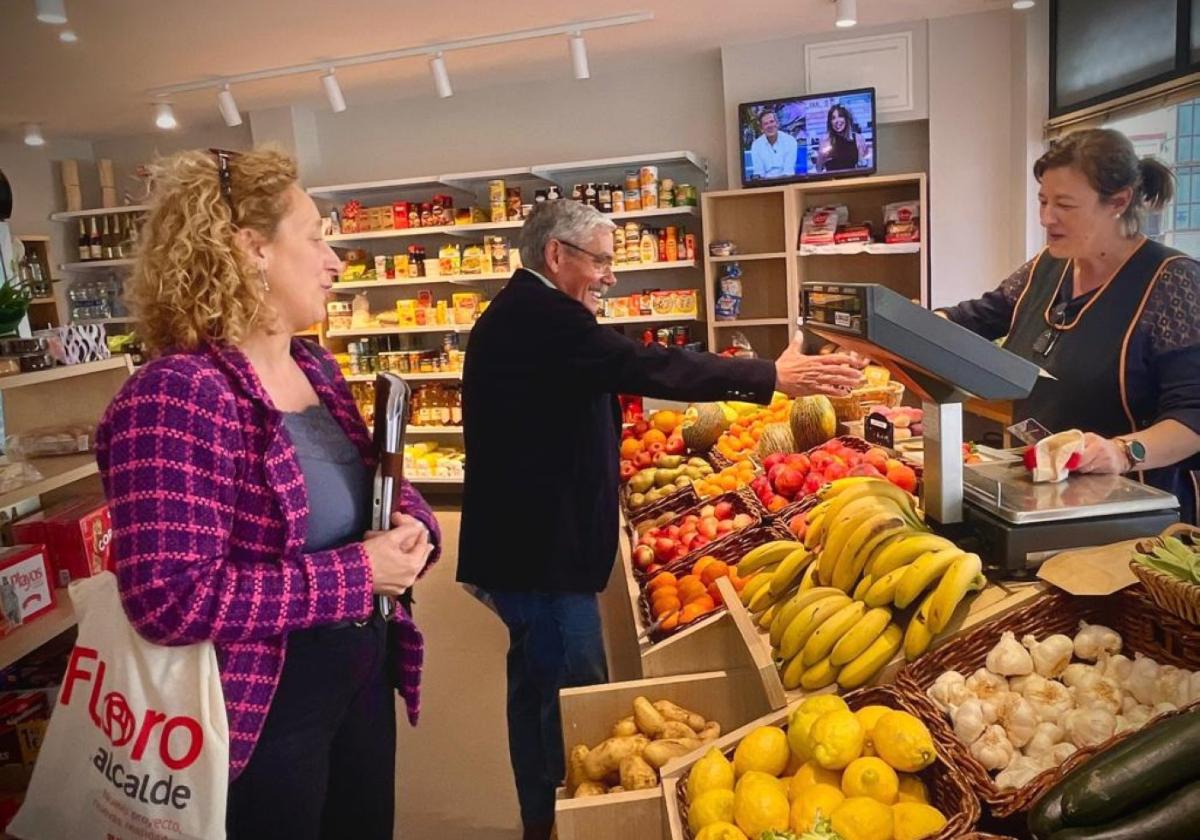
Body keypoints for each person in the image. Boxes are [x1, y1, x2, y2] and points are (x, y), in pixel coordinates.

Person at [457, 199, 865, 840]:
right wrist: (769, 375)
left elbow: (621, 369)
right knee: (567, 698)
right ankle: (561, 820)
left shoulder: (533, 313)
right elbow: (649, 365)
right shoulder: (542, 317)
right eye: (601, 262)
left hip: (531, 544)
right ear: (556, 256)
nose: (610, 276)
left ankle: (543, 813)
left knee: (538, 685)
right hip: (540, 553)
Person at [95, 146, 442, 839]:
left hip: (359, 681)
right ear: (251, 249)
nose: (335, 260)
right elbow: (169, 598)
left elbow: (368, 488)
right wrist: (360, 573)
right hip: (259, 714)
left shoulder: (314, 367)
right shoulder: (175, 396)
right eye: (315, 236)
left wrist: (413, 526)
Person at [940, 128, 1200, 523]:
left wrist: (1122, 451)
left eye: (1064, 205)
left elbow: (1192, 416)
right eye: (1043, 201)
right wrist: (897, 328)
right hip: (1045, 501)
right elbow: (972, 319)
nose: (1047, 218)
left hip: (1135, 515)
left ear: (1119, 201)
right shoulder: (1047, 265)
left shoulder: (1173, 282)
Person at [816, 103, 869, 173]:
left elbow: (864, 169)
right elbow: (819, 169)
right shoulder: (825, 140)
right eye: (833, 118)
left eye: (840, 116)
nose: (837, 121)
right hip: (831, 182)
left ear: (846, 119)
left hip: (852, 180)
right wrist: (821, 156)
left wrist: (862, 158)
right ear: (830, 122)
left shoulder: (858, 138)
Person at [749, 109, 800, 181]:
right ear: (761, 129)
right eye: (765, 124)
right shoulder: (756, 145)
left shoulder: (790, 141)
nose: (769, 126)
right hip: (765, 186)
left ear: (777, 124)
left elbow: (788, 172)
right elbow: (759, 173)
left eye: (772, 122)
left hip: (787, 183)